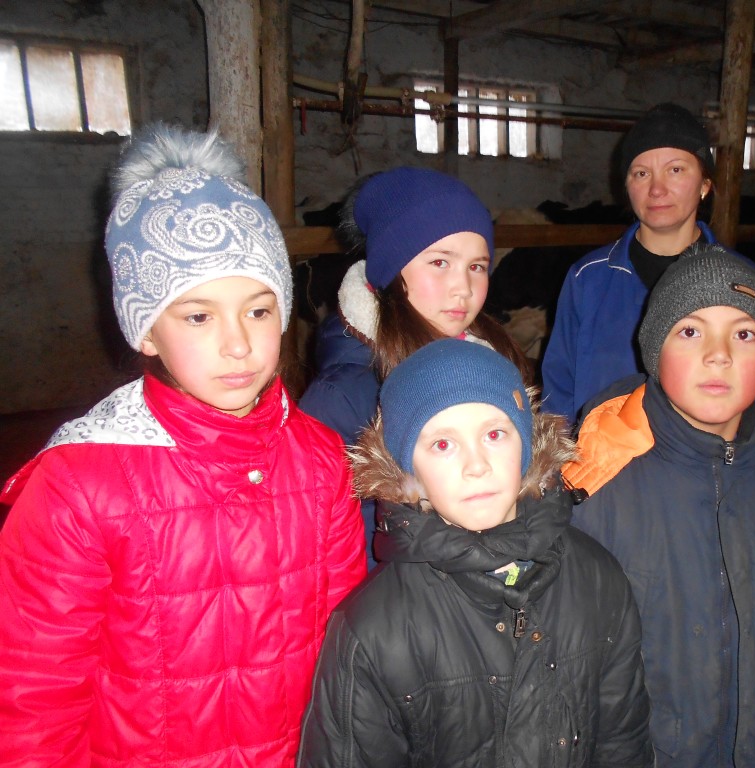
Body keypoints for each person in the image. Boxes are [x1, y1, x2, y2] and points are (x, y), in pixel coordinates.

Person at [0, 125, 367, 767]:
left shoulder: (322, 461)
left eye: (258, 310)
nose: (238, 344)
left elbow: (349, 650)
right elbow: (34, 696)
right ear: (146, 330)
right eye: (198, 316)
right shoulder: (77, 485)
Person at [563, 243, 755, 767]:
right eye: (690, 331)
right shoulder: (594, 485)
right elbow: (564, 667)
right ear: (654, 350)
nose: (718, 354)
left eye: (744, 334)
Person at [297, 338, 653, 767]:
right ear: (405, 468)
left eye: (495, 434)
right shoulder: (374, 628)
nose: (477, 465)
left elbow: (623, 743)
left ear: (527, 445)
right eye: (442, 444)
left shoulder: (598, 579)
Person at [298, 166, 529, 564]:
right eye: (440, 262)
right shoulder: (342, 397)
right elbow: (326, 546)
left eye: (476, 266)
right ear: (390, 270)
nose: (463, 288)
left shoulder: (491, 363)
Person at [542, 102, 755, 423]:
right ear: (626, 187)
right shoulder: (587, 278)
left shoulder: (742, 281)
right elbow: (559, 389)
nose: (656, 189)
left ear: (705, 185)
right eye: (641, 173)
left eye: (675, 170)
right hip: (604, 452)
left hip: (705, 453)